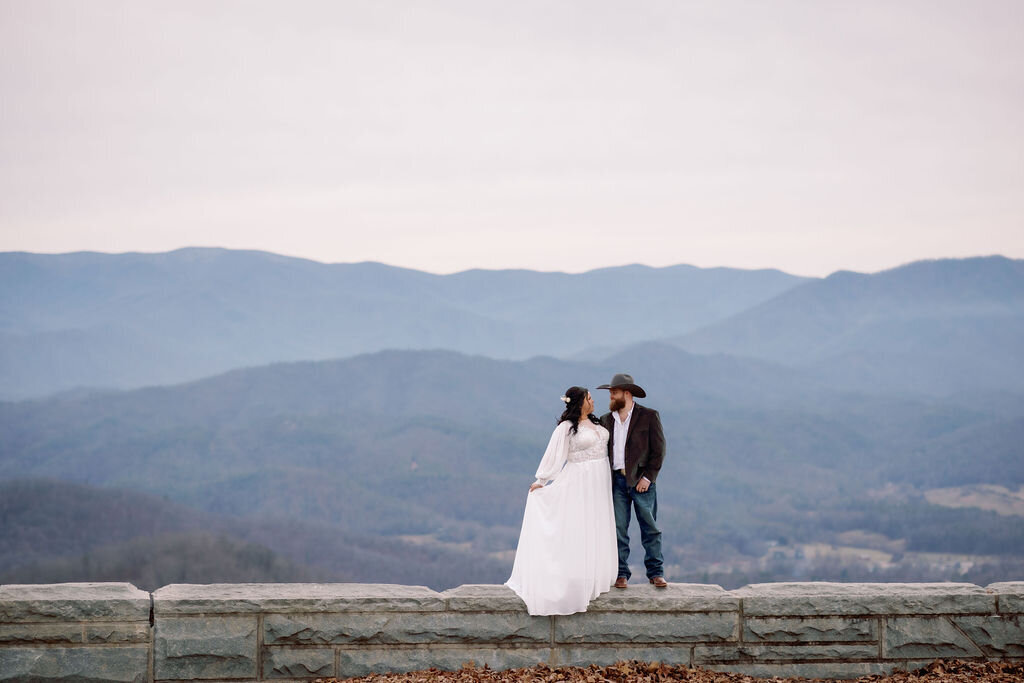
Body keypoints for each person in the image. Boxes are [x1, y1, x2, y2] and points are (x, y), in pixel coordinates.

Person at [505, 386, 617, 615]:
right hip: (579, 480)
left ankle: (594, 575)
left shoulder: (597, 423)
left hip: (600, 481)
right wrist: (542, 480)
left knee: (596, 524)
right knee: (578, 526)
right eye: (589, 397)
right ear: (580, 402)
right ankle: (571, 579)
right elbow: (554, 454)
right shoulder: (566, 428)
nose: (593, 400)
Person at [597, 373, 668, 589]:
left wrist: (648, 477)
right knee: (618, 528)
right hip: (617, 481)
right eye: (610, 393)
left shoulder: (648, 416)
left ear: (626, 394)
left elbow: (659, 450)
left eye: (614, 393)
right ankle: (621, 574)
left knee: (650, 527)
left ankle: (656, 573)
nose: (610, 397)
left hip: (642, 482)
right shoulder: (605, 420)